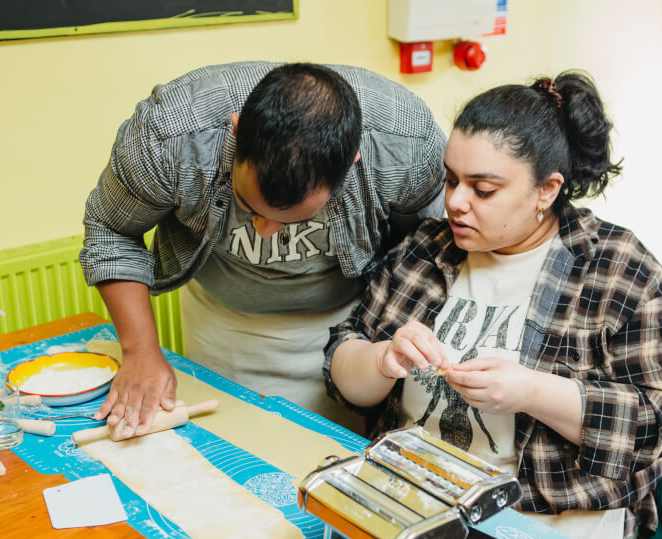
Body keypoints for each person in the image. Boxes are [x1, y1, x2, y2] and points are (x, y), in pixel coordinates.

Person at [324, 72, 662, 539]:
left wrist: (531, 392)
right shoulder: (429, 249)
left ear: (547, 189)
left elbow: (661, 423)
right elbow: (343, 366)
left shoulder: (619, 271)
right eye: (450, 180)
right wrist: (384, 358)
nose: (454, 203)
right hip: (412, 495)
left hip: (546, 522)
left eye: (483, 189)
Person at [80, 62, 446, 439]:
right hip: (220, 325)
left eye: (289, 221)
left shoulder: (404, 144)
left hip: (345, 340)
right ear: (237, 133)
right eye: (250, 206)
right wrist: (140, 351)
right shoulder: (172, 134)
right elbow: (111, 230)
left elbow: (426, 247)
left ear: (351, 162)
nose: (265, 231)